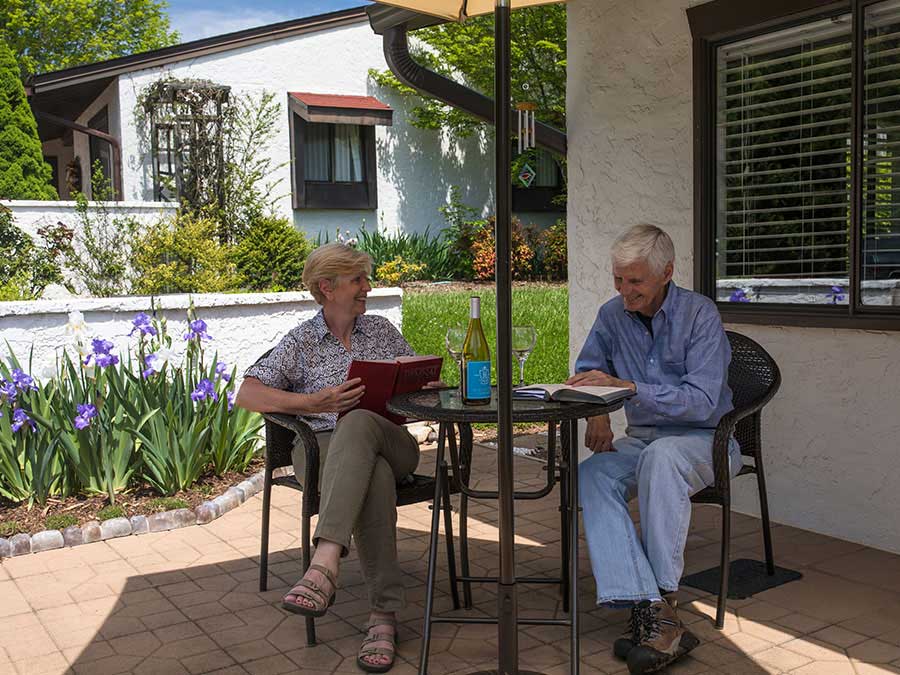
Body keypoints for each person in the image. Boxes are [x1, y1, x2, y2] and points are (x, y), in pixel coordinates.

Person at [236, 242, 426, 673]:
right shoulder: (302, 341)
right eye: (357, 279)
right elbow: (247, 393)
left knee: (358, 422)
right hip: (321, 448)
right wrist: (313, 401)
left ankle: (324, 561)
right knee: (371, 475)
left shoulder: (380, 329)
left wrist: (421, 384)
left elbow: (416, 377)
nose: (367, 287)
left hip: (392, 441)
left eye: (365, 278)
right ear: (327, 286)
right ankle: (383, 616)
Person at [568, 224, 739, 675]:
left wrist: (626, 387)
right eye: (618, 279)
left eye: (635, 281)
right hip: (643, 441)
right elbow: (589, 369)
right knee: (592, 475)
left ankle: (661, 600)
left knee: (663, 460)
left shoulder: (699, 315)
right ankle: (653, 611)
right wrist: (598, 412)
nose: (625, 291)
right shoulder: (611, 315)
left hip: (708, 441)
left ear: (667, 272)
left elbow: (702, 400)